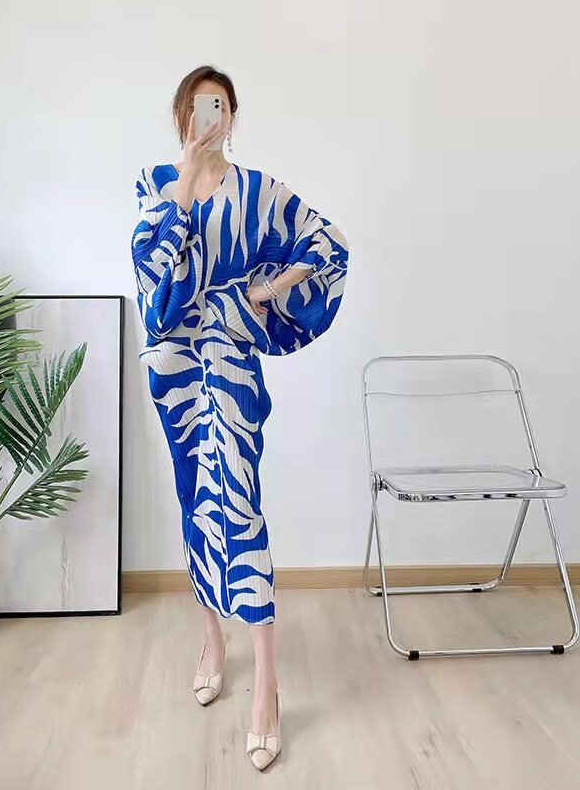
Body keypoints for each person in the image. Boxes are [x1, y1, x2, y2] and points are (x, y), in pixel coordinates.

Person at [130, 65, 349, 771]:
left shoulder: (258, 193)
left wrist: (270, 287)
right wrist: (186, 180)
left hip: (230, 365)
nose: (209, 115)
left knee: (241, 504)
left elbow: (327, 244)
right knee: (195, 498)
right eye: (198, 106)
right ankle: (211, 640)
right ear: (181, 115)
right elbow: (154, 290)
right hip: (174, 370)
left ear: (232, 115)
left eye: (219, 105)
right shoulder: (154, 185)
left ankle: (268, 683)